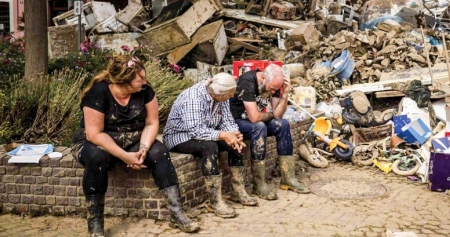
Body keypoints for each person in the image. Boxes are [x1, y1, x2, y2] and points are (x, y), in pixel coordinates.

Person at [71, 55, 198, 236]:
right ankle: (95, 224)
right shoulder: (98, 93)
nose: (144, 83)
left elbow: (152, 123)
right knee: (97, 158)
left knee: (160, 152)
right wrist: (125, 156)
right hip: (97, 141)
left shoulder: (145, 92)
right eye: (140, 80)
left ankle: (177, 212)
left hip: (134, 138)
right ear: (124, 81)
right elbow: (94, 134)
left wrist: (143, 150)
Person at [163, 73, 257, 218]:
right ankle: (215, 201)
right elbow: (196, 131)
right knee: (210, 147)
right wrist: (224, 135)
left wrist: (234, 132)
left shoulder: (222, 96)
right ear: (219, 94)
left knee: (236, 143)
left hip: (207, 133)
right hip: (181, 137)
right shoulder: (193, 97)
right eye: (230, 94)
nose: (232, 97)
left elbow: (227, 120)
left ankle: (238, 190)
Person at [229, 64, 309, 200]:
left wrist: (284, 94)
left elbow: (278, 115)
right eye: (272, 89)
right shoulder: (247, 81)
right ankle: (259, 183)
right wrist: (270, 115)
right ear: (264, 77)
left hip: (256, 121)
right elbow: (254, 117)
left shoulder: (275, 85)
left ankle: (288, 178)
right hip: (236, 122)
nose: (273, 92)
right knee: (259, 126)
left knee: (282, 125)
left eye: (275, 90)